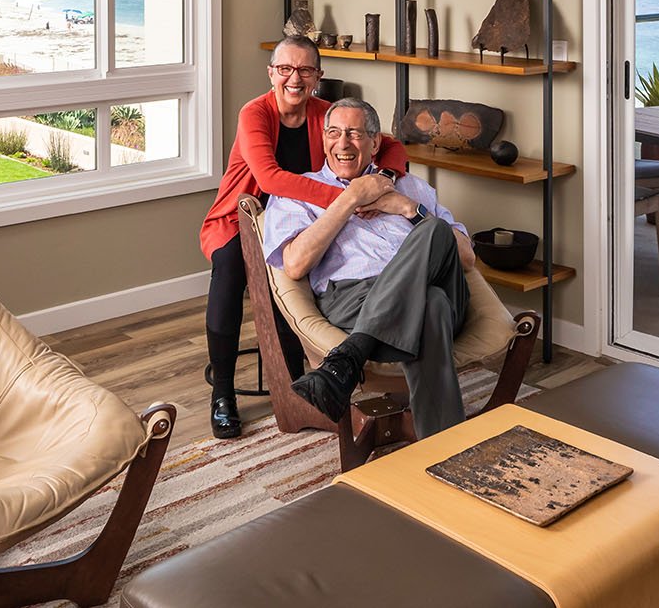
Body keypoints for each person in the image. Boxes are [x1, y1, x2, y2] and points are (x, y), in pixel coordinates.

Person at [198, 37, 408, 439]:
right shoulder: (254, 113)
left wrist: (384, 179)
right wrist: (350, 198)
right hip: (240, 217)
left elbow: (392, 145)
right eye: (285, 69)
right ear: (271, 73)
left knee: (293, 282)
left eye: (305, 70)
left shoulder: (325, 113)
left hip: (298, 217)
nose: (295, 79)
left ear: (318, 76)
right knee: (229, 272)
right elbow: (268, 179)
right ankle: (222, 395)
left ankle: (297, 384)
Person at [262, 98, 477, 440]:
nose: (342, 143)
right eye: (333, 133)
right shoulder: (299, 193)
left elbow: (466, 259)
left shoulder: (410, 187)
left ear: (375, 142)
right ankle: (443, 448)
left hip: (438, 300)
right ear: (323, 139)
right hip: (354, 299)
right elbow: (295, 264)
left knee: (434, 229)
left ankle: (350, 356)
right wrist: (348, 200)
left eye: (354, 133)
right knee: (431, 302)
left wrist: (408, 208)